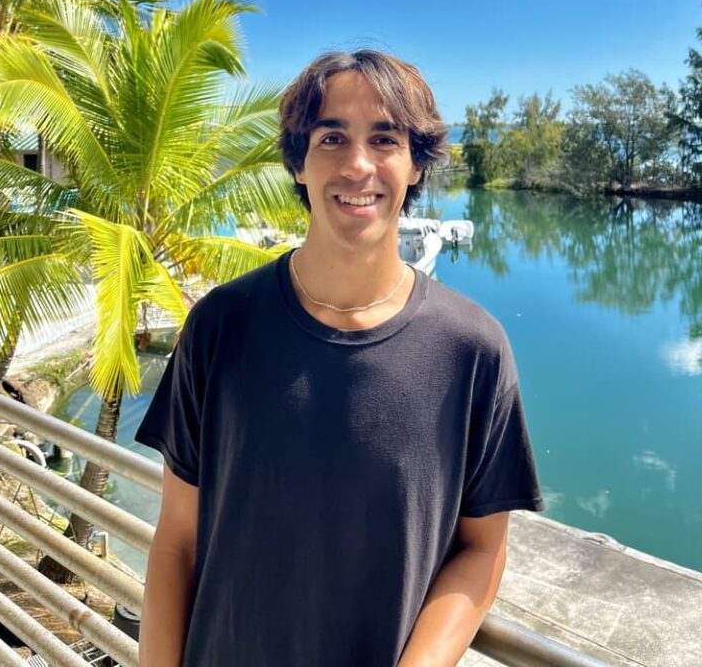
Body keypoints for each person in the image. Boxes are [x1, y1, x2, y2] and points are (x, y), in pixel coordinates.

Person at [136, 49, 543, 667]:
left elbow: (482, 549)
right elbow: (177, 542)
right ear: (299, 164)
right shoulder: (221, 326)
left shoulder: (472, 350)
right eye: (332, 138)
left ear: (414, 167)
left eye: (385, 138)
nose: (358, 165)